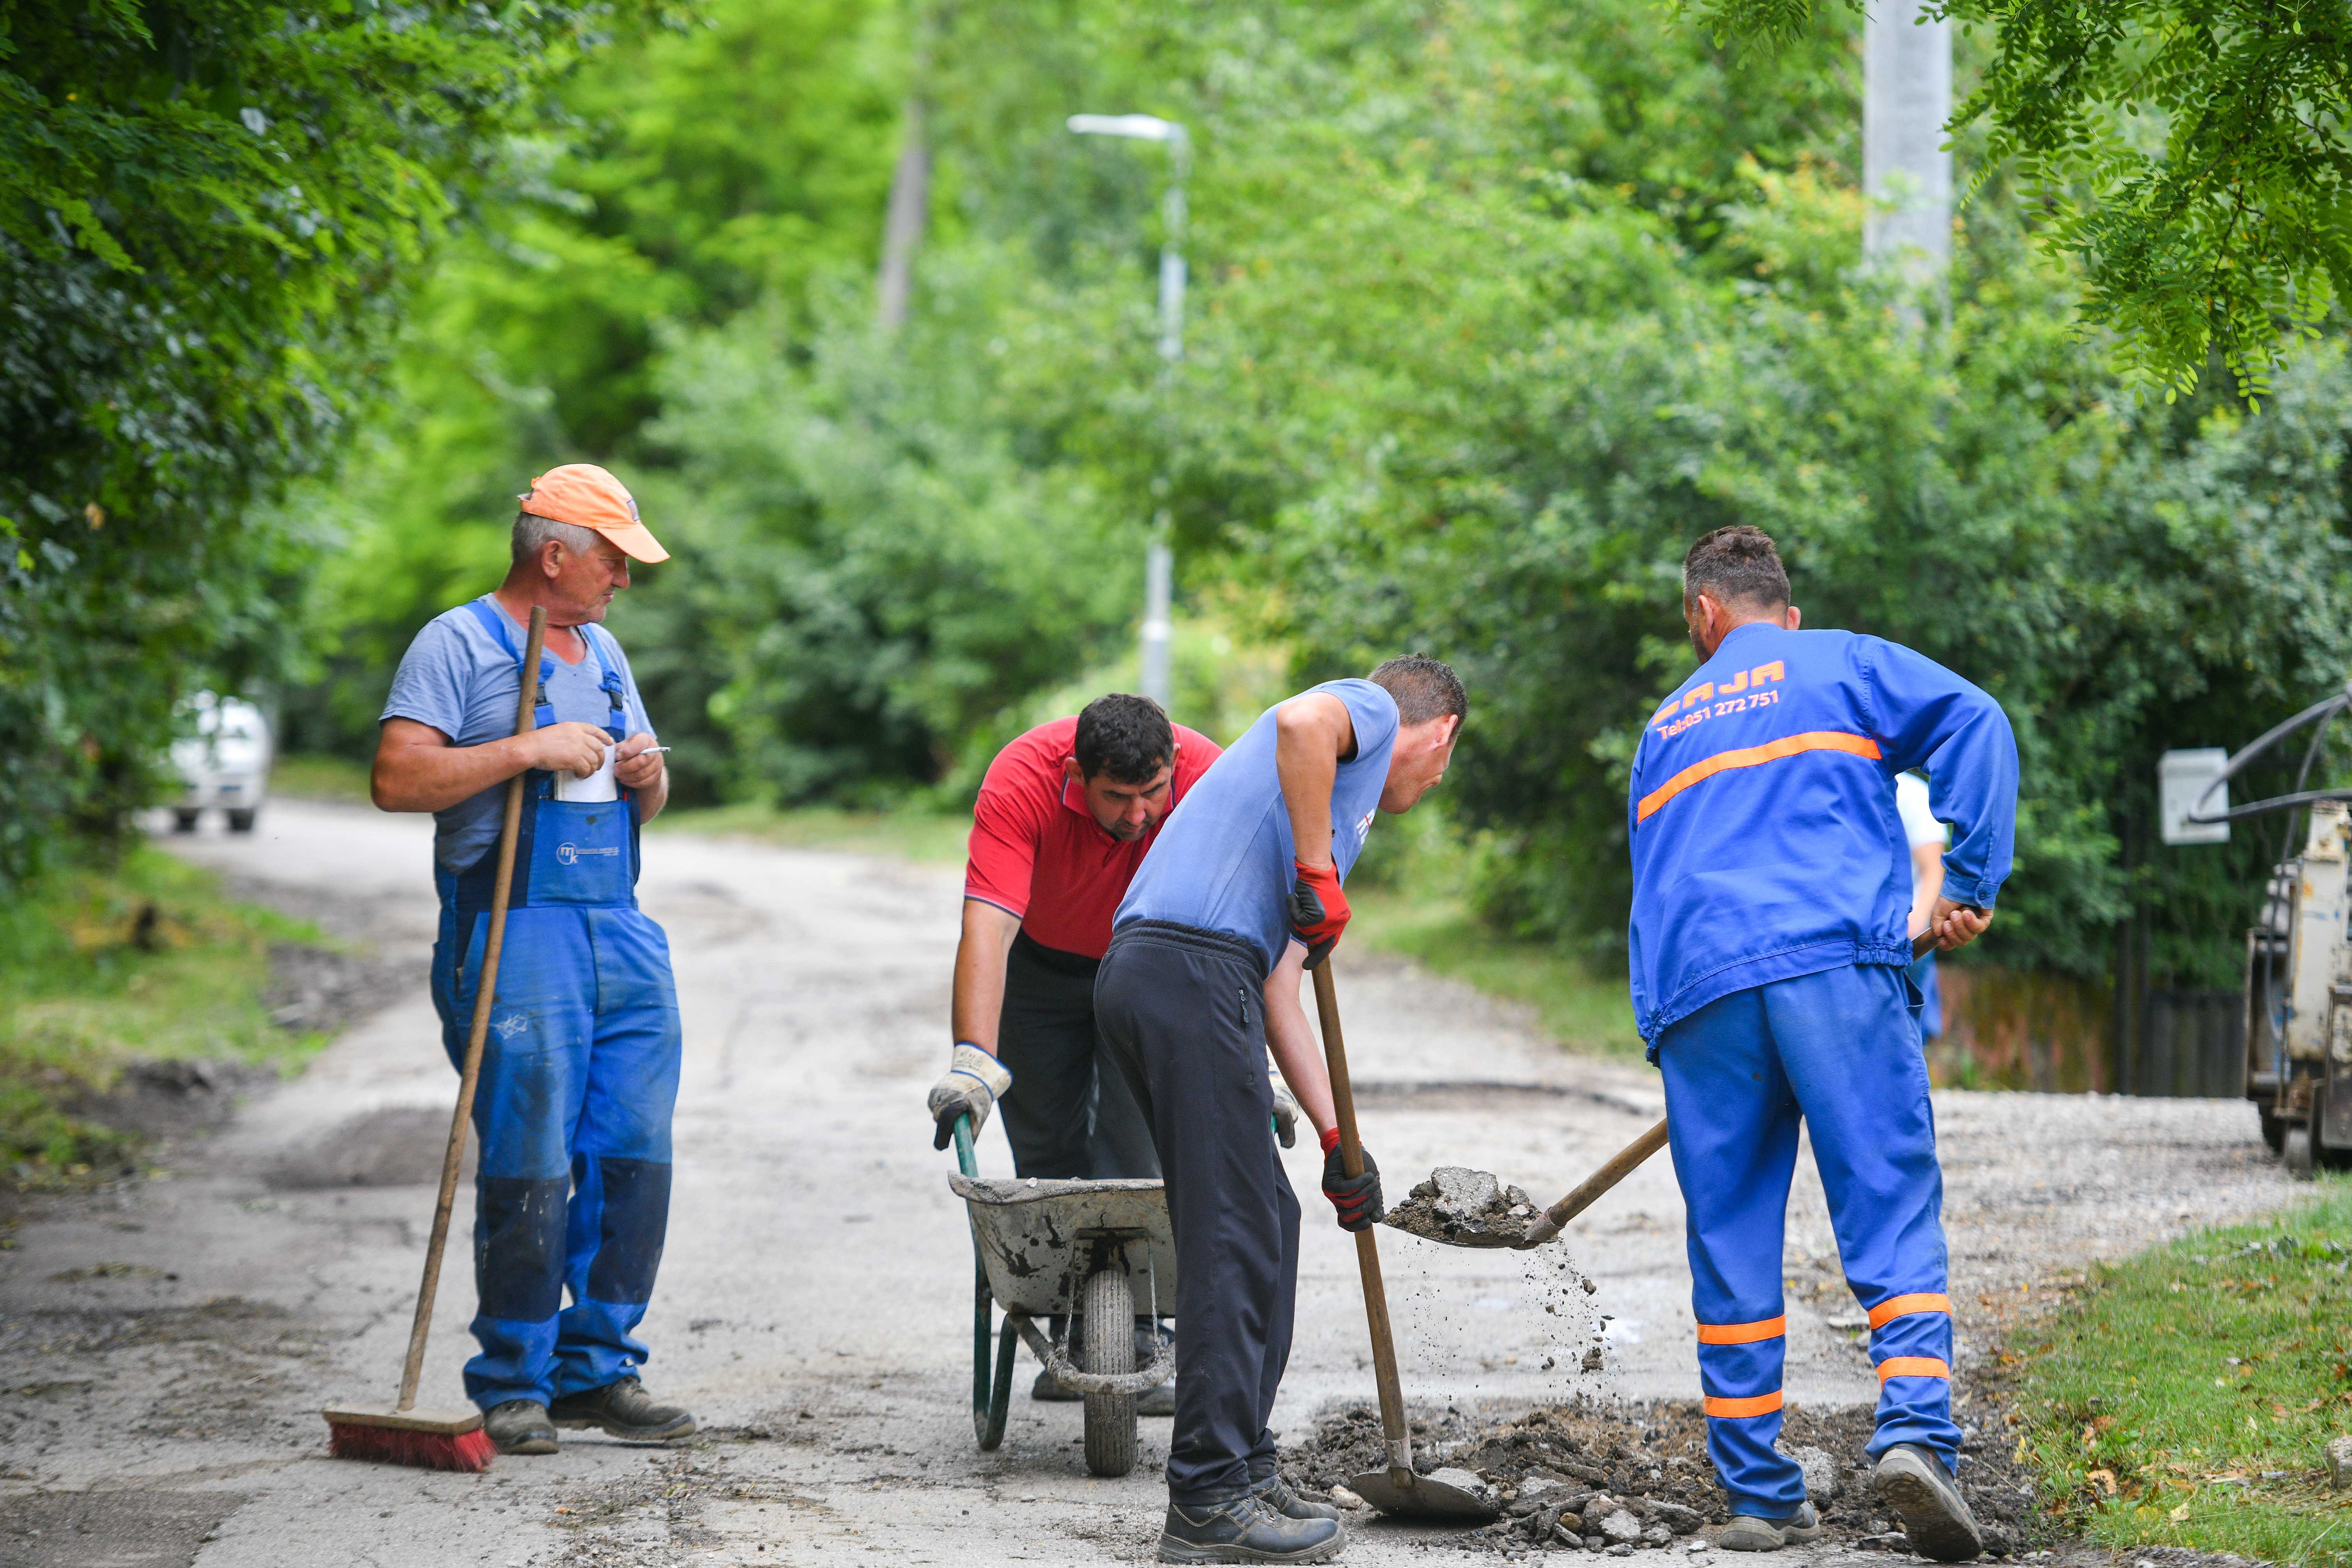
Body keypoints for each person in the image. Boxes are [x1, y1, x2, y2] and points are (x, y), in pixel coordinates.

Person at [1626, 526, 2015, 1560]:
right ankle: (1915, 1433)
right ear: (1779, 614)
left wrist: (1658, 1024)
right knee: (1884, 1200)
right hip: (1831, 966)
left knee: (1729, 1237)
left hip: (1701, 992)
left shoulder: (1666, 723)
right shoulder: (1838, 660)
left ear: (1702, 616)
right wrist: (1970, 879)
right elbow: (1975, 722)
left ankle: (1757, 1491)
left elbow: (1648, 884)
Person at [1095, 656, 1466, 1565]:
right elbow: (1302, 720)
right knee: (1229, 1231)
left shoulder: (1333, 806)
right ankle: (1207, 1495)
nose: (1433, 779)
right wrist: (1313, 865)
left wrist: (1340, 1136)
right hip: (1186, 966)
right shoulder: (1370, 715)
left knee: (1269, 1216)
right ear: (1443, 734)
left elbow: (1278, 992)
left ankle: (1246, 1466)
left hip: (1182, 976)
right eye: (1443, 763)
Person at [371, 464, 695, 1456]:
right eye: (613, 563)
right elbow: (396, 777)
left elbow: (649, 797)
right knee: (531, 1156)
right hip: (514, 926)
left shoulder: (602, 650)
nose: (623, 584)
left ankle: (598, 1367)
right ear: (554, 556)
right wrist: (525, 749)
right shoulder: (457, 644)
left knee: (632, 1151)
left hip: (619, 925)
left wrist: (648, 772)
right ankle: (513, 1378)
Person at [926, 693, 1246, 1411]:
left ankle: (1137, 1325)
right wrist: (974, 1059)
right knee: (1048, 1146)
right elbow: (988, 926)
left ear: (1173, 769)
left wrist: (1247, 1057)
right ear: (1076, 773)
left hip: (1148, 960)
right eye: (1117, 797)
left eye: (1152, 793)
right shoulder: (1022, 779)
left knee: (1138, 1145)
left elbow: (1240, 919)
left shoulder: (1207, 774)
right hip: (1042, 967)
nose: (1138, 815)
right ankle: (1074, 1324)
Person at [1897, 771, 1950, 1040]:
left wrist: (1916, 922)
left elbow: (1933, 869)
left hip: (1905, 926)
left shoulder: (1912, 793)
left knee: (1912, 1019)